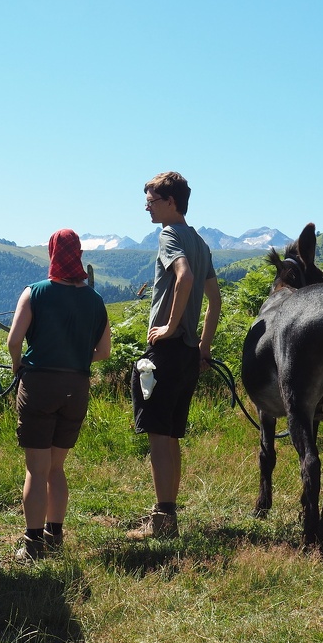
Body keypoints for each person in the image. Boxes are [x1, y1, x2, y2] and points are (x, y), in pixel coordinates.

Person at [7, 228, 112, 561]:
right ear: (78, 255)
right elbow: (105, 351)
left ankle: (32, 543)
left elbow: (13, 342)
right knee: (56, 468)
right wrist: (78, 360)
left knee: (36, 470)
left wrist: (17, 366)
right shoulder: (95, 301)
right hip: (76, 388)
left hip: (39, 385)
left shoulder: (35, 292)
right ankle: (55, 534)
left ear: (53, 253)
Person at [128, 171, 221, 540]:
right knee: (170, 437)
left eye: (150, 200)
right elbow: (215, 301)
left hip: (166, 351)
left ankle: (162, 522)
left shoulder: (170, 235)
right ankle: (168, 516)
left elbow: (182, 277)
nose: (146, 207)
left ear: (169, 202)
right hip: (188, 354)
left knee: (157, 436)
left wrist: (167, 326)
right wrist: (203, 346)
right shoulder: (199, 241)